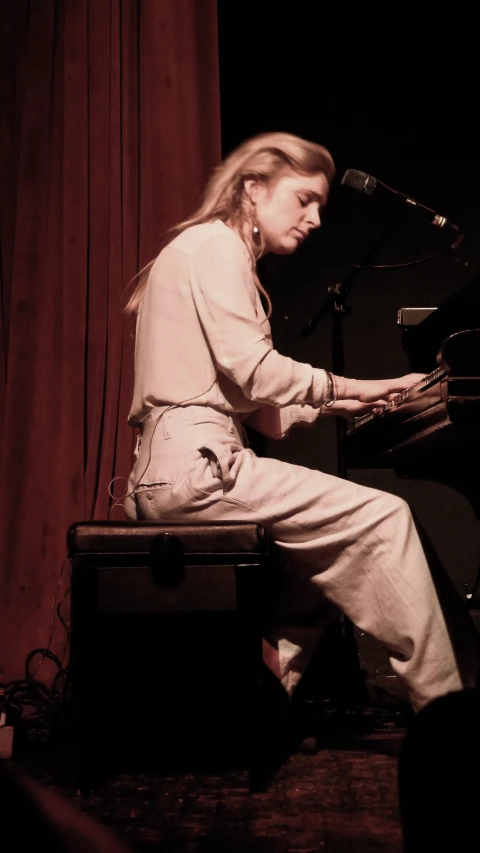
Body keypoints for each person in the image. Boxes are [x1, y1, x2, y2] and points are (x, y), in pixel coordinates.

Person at [123, 131, 479, 714]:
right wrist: (359, 387)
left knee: (324, 567)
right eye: (303, 200)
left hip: (183, 468)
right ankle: (450, 711)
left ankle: (263, 699)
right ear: (253, 189)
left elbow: (260, 406)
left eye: (320, 206)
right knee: (383, 518)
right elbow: (258, 374)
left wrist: (360, 401)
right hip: (199, 474)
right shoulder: (214, 248)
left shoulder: (204, 251)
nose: (314, 219)